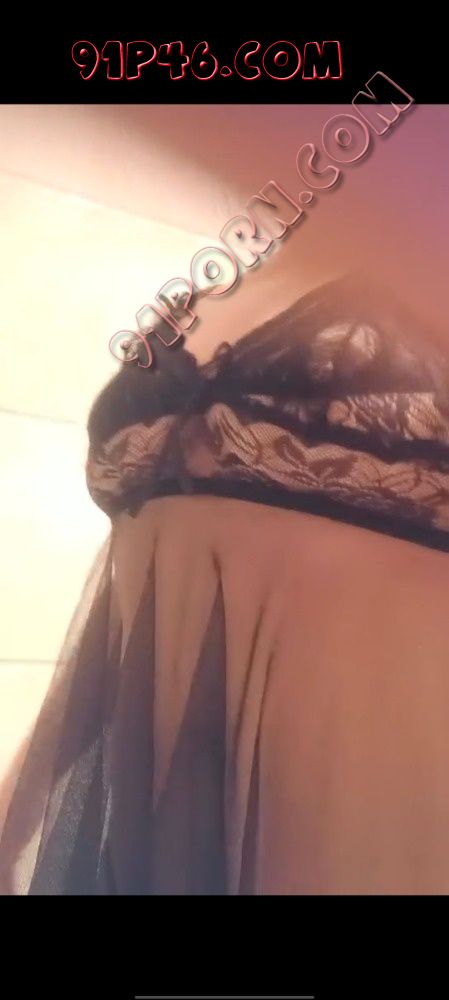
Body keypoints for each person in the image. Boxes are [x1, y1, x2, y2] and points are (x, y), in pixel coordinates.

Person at [1, 264, 449, 895]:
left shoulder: (411, 254)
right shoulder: (249, 258)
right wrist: (20, 815)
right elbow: (135, 615)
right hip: (149, 842)